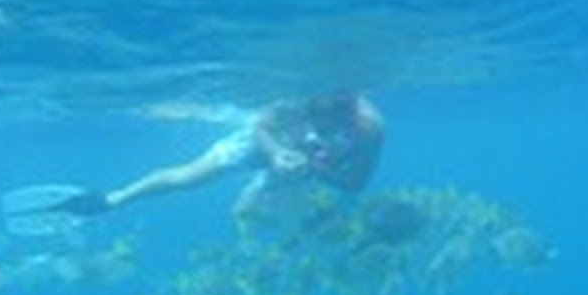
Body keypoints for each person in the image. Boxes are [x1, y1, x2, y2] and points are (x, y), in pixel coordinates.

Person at [58, 92, 384, 221]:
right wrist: (276, 152)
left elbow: (355, 183)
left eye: (329, 128)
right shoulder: (293, 101)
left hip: (309, 167)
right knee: (189, 177)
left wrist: (312, 168)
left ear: (350, 118)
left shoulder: (370, 130)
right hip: (270, 143)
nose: (318, 131)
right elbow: (261, 127)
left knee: (250, 214)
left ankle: (264, 187)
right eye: (314, 124)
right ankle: (116, 198)